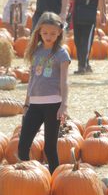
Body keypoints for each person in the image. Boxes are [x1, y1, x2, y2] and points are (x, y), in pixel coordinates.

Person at [18, 12, 71, 174]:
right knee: (22, 146)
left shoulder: (62, 54)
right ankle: (30, 177)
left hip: (53, 105)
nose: (49, 36)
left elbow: (64, 81)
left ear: (59, 33)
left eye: (53, 33)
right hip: (34, 104)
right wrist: (27, 103)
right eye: (45, 33)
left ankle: (54, 181)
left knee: (50, 149)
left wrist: (64, 105)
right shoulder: (35, 51)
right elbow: (32, 78)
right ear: (39, 31)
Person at [70, 0, 100, 74]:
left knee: (86, 41)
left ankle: (82, 66)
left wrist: (99, 11)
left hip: (89, 13)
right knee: (77, 40)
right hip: (77, 12)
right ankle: (85, 65)